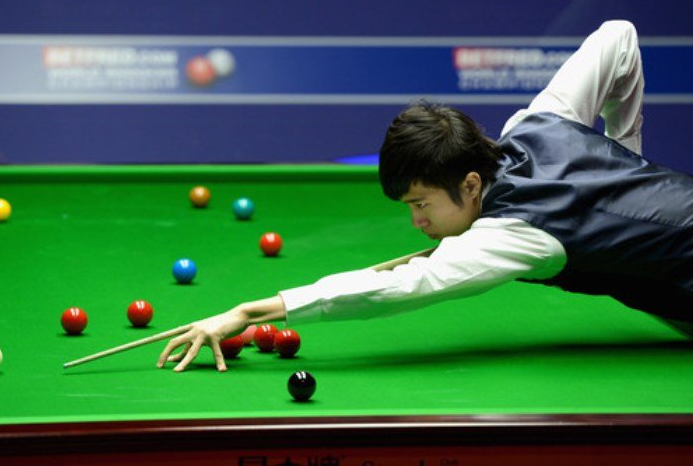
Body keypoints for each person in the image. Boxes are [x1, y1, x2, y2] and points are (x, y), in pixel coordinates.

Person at [157, 20, 693, 373]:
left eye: (421, 204)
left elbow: (395, 288)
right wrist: (625, 156)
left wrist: (247, 311)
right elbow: (618, 37)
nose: (416, 222)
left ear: (471, 184)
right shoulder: (536, 123)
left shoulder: (514, 234)